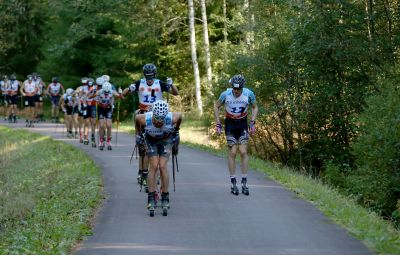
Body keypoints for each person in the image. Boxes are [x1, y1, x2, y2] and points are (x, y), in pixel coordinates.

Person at [122, 63, 179, 191]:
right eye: (148, 77)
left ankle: (152, 174)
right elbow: (124, 94)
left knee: (155, 144)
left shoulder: (160, 83)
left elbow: (175, 93)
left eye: (151, 77)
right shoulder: (139, 83)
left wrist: (172, 84)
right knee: (142, 146)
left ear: (155, 75)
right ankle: (142, 172)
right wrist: (129, 88)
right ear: (144, 75)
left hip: (158, 115)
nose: (149, 79)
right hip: (143, 114)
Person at [135, 100, 182, 217]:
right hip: (151, 140)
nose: (159, 122)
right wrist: (138, 134)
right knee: (154, 165)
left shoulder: (172, 118)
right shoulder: (144, 118)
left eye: (162, 120)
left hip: (166, 139)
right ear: (153, 115)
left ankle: (165, 196)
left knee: (163, 165)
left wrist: (176, 131)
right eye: (157, 120)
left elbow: (180, 116)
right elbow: (136, 119)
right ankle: (151, 197)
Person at [214, 74, 258, 196]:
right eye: (234, 88)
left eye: (238, 89)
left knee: (243, 151)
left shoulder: (249, 94)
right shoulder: (225, 94)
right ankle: (233, 182)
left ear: (243, 87)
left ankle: (244, 181)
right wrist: (218, 123)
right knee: (232, 152)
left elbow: (255, 107)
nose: (236, 91)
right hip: (230, 125)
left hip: (242, 124)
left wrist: (253, 122)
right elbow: (216, 106)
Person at [90, 81, 123, 150]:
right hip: (100, 109)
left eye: (107, 92)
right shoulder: (99, 91)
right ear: (103, 89)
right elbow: (90, 97)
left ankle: (108, 141)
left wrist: (120, 93)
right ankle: (101, 141)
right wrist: (93, 93)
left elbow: (121, 98)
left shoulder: (112, 91)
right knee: (101, 126)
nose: (106, 93)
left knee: (109, 125)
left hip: (108, 108)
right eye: (105, 92)